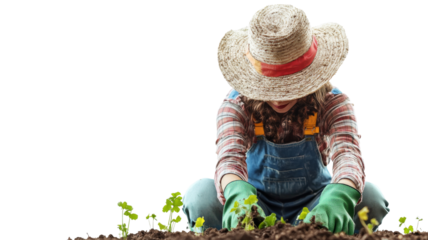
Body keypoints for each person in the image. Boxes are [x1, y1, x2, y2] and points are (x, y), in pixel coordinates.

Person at [181, 2, 390, 236]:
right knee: (199, 194)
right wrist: (236, 192)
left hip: (315, 205)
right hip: (254, 205)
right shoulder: (236, 104)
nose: (279, 98)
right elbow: (229, 157)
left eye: (290, 84)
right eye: (272, 87)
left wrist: (338, 196)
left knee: (371, 196)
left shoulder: (333, 102)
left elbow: (348, 154)